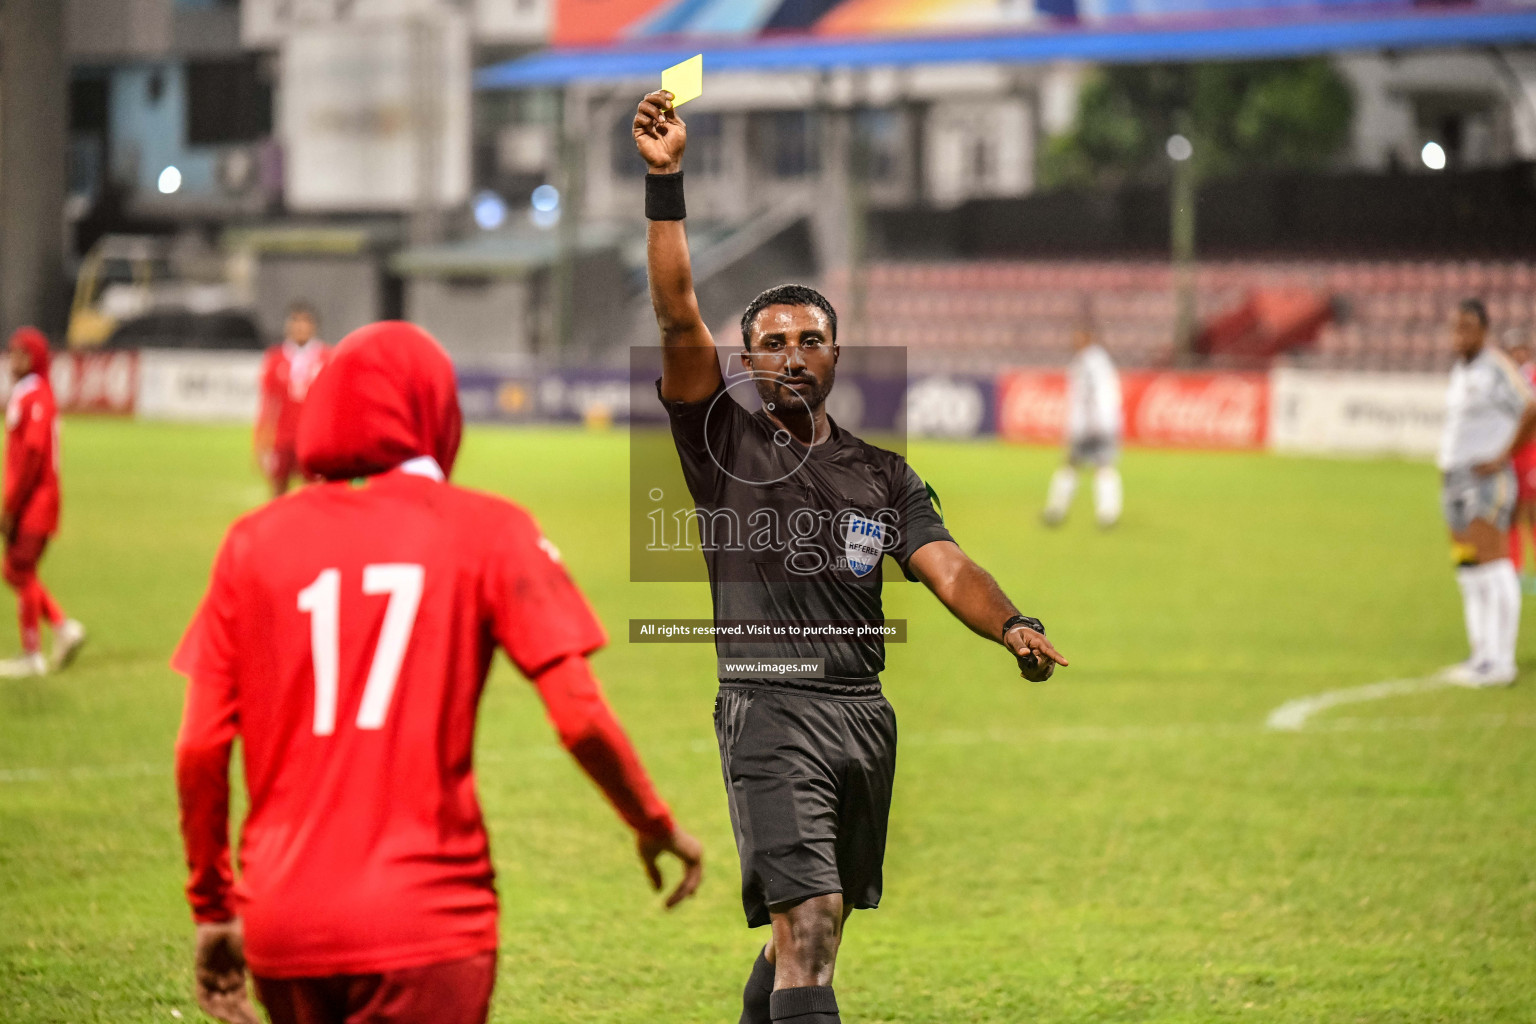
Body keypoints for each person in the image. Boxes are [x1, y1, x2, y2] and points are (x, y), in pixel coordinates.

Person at [634, 90, 1067, 1024]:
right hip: (770, 706)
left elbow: (946, 564)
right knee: (814, 926)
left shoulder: (883, 474)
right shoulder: (722, 443)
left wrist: (1013, 624)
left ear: (836, 356)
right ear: (746, 362)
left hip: (863, 715)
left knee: (803, 933)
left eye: (810, 341)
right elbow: (676, 318)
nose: (792, 355)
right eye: (772, 343)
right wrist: (665, 182)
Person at [174, 321, 704, 1024]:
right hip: (429, 922)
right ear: (436, 412)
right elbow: (578, 716)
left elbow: (200, 748)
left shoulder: (252, 544)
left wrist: (214, 909)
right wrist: (652, 821)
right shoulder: (489, 530)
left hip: (280, 921)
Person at [1437, 299, 1536, 687]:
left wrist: (1502, 457)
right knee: (1468, 569)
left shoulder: (1496, 368)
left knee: (1494, 567)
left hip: (1484, 481)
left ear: (1483, 330)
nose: (1458, 335)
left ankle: (1501, 662)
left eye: (1466, 327)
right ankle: (1481, 656)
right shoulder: (1463, 370)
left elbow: (1530, 409)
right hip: (1456, 480)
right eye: (1454, 327)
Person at [0, 327, 86, 678]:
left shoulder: (35, 397)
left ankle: (41, 646)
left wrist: (10, 505)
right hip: (35, 499)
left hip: (36, 499)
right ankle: (56, 634)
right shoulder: (29, 394)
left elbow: (31, 456)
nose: (13, 360)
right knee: (21, 570)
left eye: (21, 354)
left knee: (16, 569)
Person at [1042, 309, 1123, 528]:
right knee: (1102, 465)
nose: (1074, 340)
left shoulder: (1087, 361)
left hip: (1090, 424)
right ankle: (1108, 512)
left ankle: (1056, 509)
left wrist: (1090, 423)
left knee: (1074, 463)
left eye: (1078, 335)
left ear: (1087, 337)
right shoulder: (1100, 359)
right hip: (1104, 423)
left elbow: (1091, 394)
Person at [255, 302, 330, 497]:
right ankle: (278, 528)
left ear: (314, 326)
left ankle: (311, 528)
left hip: (313, 439)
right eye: (295, 321)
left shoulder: (327, 357)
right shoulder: (276, 358)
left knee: (315, 492)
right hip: (282, 439)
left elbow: (332, 403)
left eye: (305, 321)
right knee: (278, 491)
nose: (300, 326)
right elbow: (267, 403)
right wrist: (261, 442)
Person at [1503, 329, 1536, 589]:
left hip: (1530, 453)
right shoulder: (1507, 378)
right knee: (1512, 511)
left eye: (1522, 348)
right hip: (1511, 453)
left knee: (1532, 510)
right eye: (1514, 349)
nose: (1519, 353)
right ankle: (1514, 566)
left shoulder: (1531, 376)